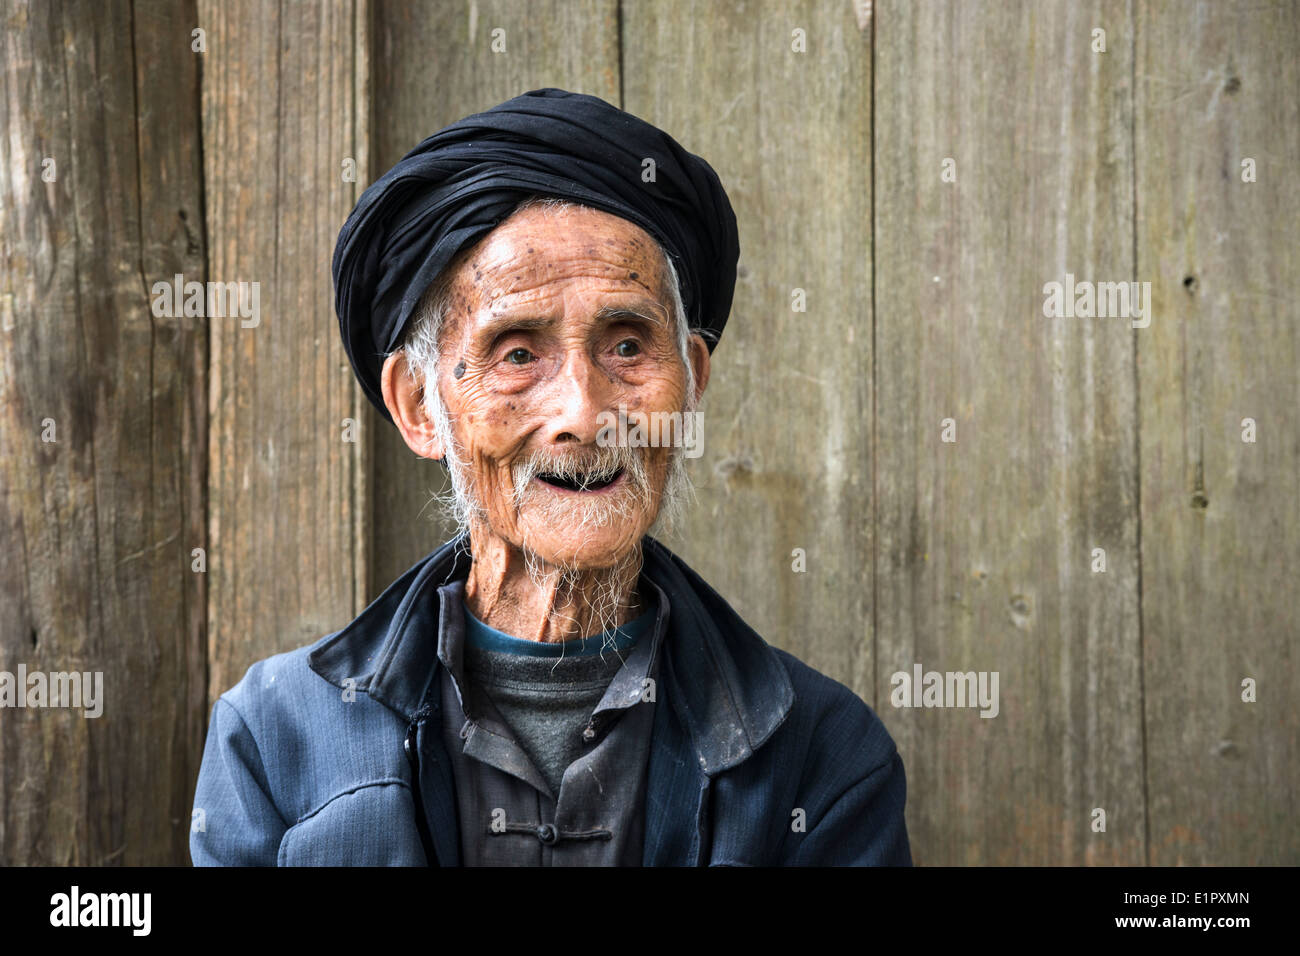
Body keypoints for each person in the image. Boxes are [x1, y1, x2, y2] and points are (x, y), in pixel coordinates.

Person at [190, 89, 911, 866]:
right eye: (518, 353)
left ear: (692, 383)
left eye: (629, 346)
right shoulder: (274, 740)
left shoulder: (822, 758)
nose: (585, 411)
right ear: (419, 407)